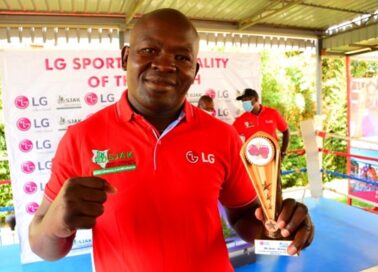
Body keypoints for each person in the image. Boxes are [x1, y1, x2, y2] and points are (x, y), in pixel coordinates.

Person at [29, 8, 313, 272]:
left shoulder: (223, 136)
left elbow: (244, 217)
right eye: (150, 50)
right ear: (125, 58)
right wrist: (55, 222)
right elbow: (44, 248)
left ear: (195, 71)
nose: (165, 65)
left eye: (182, 57)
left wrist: (277, 230)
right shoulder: (81, 138)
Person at [233, 88, 290, 160]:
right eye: (243, 101)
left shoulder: (272, 113)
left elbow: (286, 131)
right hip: (252, 160)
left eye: (246, 100)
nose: (244, 103)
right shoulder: (242, 119)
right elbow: (231, 135)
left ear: (256, 99)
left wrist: (283, 152)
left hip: (273, 158)